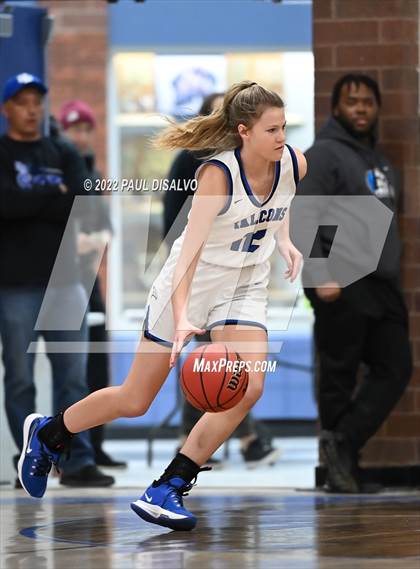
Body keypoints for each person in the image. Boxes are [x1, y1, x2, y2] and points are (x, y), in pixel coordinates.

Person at [18, 80, 306, 531]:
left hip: (244, 285)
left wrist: (285, 241)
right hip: (190, 283)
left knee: (248, 386)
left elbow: (284, 196)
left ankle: (168, 486)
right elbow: (187, 251)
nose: (282, 137)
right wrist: (185, 316)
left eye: (284, 127)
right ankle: (50, 433)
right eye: (272, 130)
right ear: (244, 131)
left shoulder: (291, 161)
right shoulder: (217, 174)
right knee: (135, 399)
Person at [292, 74, 412, 493]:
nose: (361, 108)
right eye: (352, 101)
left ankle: (343, 446)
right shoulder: (323, 156)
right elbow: (302, 217)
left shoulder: (378, 161)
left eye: (367, 102)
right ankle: (340, 470)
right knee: (339, 375)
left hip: (381, 283)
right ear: (337, 108)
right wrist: (319, 273)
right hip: (341, 281)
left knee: (396, 367)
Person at [0, 72, 114, 488]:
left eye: (37, 101)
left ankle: (78, 460)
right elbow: (6, 205)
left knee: (73, 378)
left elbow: (81, 208)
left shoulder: (62, 151)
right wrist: (50, 197)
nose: (32, 109)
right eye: (22, 101)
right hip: (14, 284)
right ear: (7, 108)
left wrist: (27, 202)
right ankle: (29, 459)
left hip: (66, 282)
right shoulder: (2, 152)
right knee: (19, 377)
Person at [164, 92, 279, 468]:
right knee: (205, 364)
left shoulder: (252, 164)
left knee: (231, 366)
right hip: (198, 276)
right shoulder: (192, 163)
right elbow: (174, 224)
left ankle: (241, 440)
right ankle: (213, 439)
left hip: (236, 279)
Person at [59, 100, 126, 469]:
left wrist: (95, 238)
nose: (81, 136)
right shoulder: (59, 169)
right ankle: (68, 446)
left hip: (88, 282)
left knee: (98, 364)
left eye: (86, 129)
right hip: (60, 280)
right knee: (72, 368)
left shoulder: (92, 173)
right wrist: (76, 240)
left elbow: (104, 229)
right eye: (75, 129)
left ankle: (94, 444)